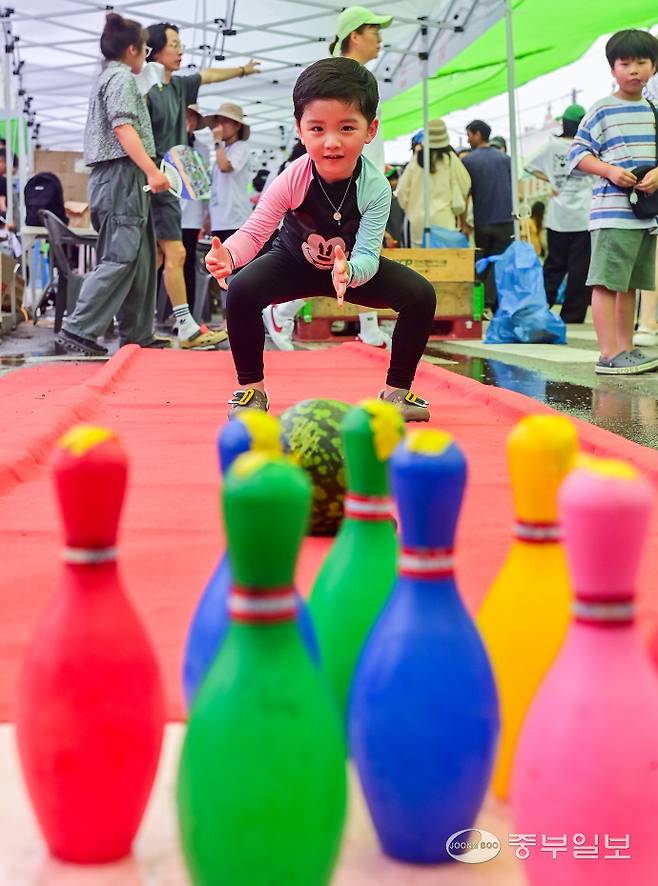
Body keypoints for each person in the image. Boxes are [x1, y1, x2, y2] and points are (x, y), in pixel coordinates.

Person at [204, 57, 436, 421]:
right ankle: (252, 390)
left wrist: (350, 271)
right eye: (317, 129)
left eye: (347, 128)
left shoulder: (375, 187)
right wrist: (228, 256)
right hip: (292, 263)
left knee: (421, 296)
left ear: (370, 129)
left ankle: (396, 393)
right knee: (241, 290)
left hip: (351, 269)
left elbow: (368, 254)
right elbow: (255, 231)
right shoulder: (292, 178)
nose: (331, 142)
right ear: (300, 129)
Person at [56, 13, 170, 357]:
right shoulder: (120, 79)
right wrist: (152, 170)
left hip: (122, 176)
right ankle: (79, 327)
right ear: (132, 49)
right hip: (121, 175)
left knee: (140, 257)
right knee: (121, 256)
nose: (146, 56)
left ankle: (137, 332)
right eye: (145, 49)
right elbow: (123, 128)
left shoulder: (109, 77)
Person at [146, 22, 259, 349]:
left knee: (176, 258)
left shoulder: (202, 144)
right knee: (161, 259)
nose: (180, 50)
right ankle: (170, 323)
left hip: (196, 213)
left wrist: (241, 70)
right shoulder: (146, 87)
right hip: (172, 199)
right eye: (174, 44)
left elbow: (207, 75)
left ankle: (184, 323)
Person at [568, 28, 658, 375]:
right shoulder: (602, 109)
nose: (633, 70)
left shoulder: (653, 110)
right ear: (612, 69)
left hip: (644, 216)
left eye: (641, 62)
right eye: (625, 63)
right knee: (606, 283)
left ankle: (626, 349)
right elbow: (577, 154)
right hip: (611, 214)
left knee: (630, 284)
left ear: (653, 67)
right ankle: (608, 353)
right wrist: (610, 171)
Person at [330, 5, 393, 348]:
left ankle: (368, 324)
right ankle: (283, 310)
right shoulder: (344, 78)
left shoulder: (358, 77)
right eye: (374, 32)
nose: (379, 39)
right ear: (355, 36)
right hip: (352, 178)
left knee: (357, 250)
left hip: (364, 176)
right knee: (349, 250)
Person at [525, 103, 594, 323]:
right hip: (584, 215)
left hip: (557, 216)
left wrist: (552, 181)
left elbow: (529, 166)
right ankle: (573, 314)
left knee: (553, 265)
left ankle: (541, 307)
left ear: (564, 123)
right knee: (579, 269)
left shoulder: (551, 146)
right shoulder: (589, 148)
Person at [461, 119, 514, 309]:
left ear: (478, 134)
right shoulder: (505, 159)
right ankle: (495, 302)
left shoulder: (468, 161)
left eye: (469, 135)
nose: (468, 140)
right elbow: (515, 189)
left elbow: (465, 194)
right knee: (501, 262)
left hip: (482, 220)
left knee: (483, 261)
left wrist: (463, 222)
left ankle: (484, 301)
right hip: (506, 219)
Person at [395, 118, 471, 247]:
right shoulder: (450, 159)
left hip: (418, 223)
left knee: (420, 259)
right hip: (443, 221)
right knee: (442, 258)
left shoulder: (416, 160)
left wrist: (411, 209)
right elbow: (465, 185)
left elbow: (401, 191)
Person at [209, 102, 252, 241]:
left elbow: (225, 167)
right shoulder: (222, 151)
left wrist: (217, 141)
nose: (220, 126)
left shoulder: (241, 147)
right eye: (218, 121)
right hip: (218, 221)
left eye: (225, 121)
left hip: (236, 220)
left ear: (237, 125)